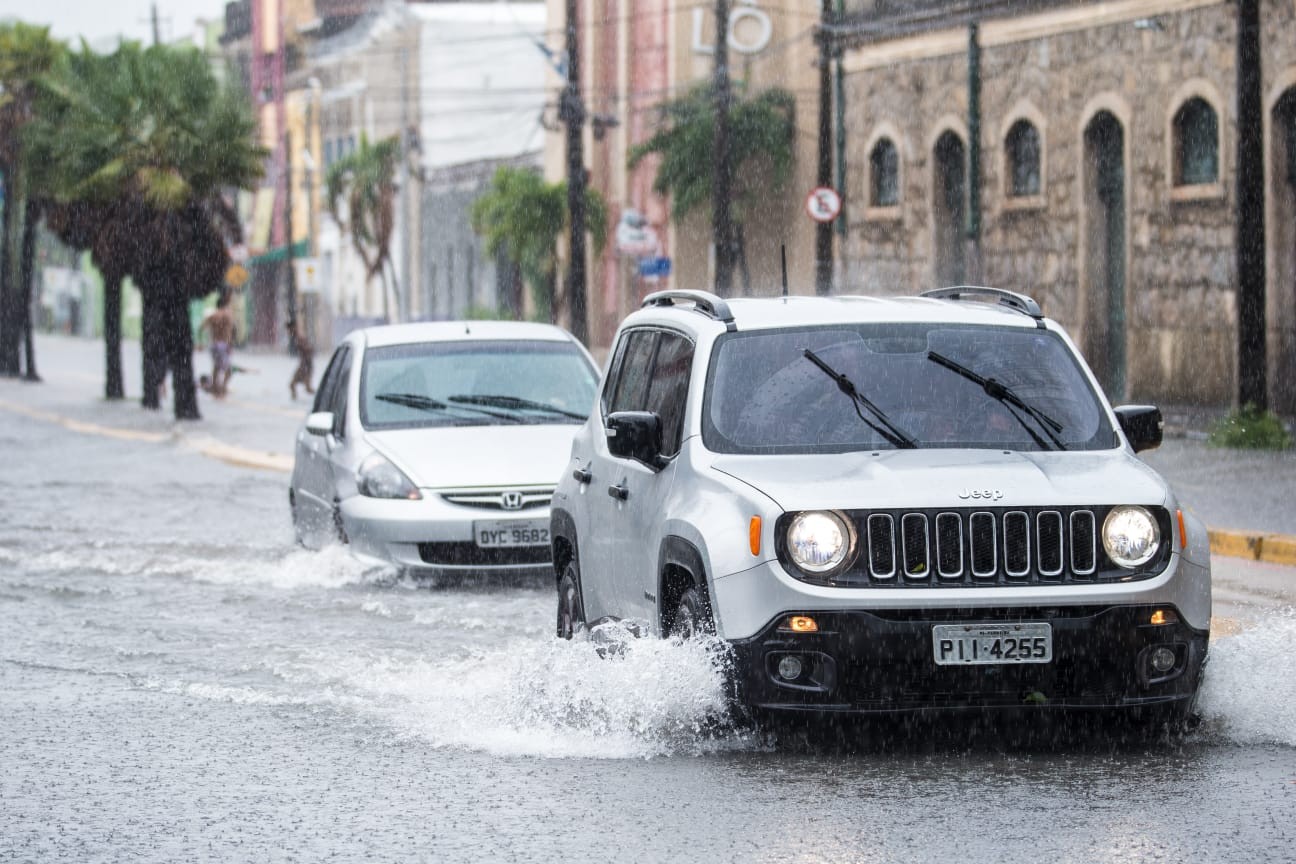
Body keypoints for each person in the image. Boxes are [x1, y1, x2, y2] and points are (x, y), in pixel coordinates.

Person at [199, 292, 237, 398]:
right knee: (228, 370)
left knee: (216, 368)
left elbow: (201, 328)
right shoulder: (227, 315)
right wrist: (230, 344)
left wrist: (201, 343)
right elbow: (232, 331)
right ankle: (222, 389)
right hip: (223, 344)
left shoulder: (212, 316)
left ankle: (216, 389)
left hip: (213, 344)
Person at [290, 324, 315, 401]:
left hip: (305, 367)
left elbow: (309, 351)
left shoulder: (300, 339)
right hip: (304, 366)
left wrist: (306, 365)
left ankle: (322, 397)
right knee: (293, 385)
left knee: (307, 389)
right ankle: (294, 399)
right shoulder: (298, 339)